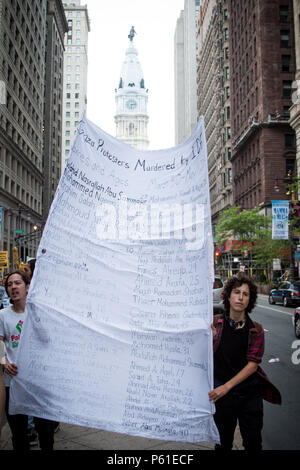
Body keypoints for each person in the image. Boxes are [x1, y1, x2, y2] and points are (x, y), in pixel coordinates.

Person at [209, 273, 281, 451]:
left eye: (245, 294)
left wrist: (226, 387)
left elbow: (252, 365)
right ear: (227, 296)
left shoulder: (256, 330)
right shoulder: (214, 325)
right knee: (222, 442)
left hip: (249, 395)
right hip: (223, 399)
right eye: (236, 292)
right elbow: (200, 356)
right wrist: (208, 339)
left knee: (253, 442)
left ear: (250, 300)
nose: (240, 297)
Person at [0, 270, 30, 450]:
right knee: (18, 433)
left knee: (45, 432)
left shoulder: (35, 313)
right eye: (10, 284)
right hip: (12, 384)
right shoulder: (3, 315)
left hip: (34, 383)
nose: (13, 287)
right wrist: (4, 361)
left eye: (17, 283)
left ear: (27, 287)